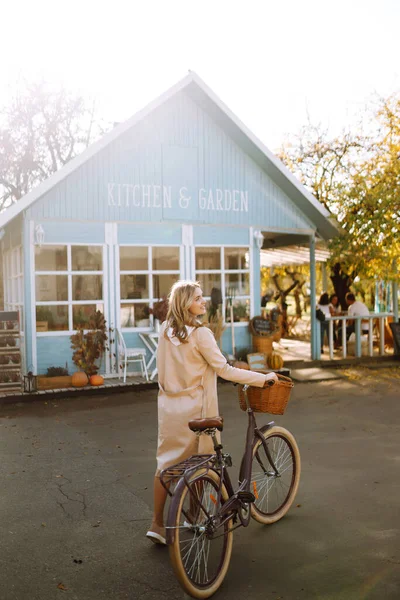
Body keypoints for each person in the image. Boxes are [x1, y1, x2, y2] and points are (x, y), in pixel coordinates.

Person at [146, 280, 278, 545]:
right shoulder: (200, 334)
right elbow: (225, 370)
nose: (203, 301)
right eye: (197, 298)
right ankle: (193, 517)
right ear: (185, 303)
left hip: (169, 407)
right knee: (202, 461)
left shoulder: (164, 330)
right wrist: (262, 379)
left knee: (167, 465)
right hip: (197, 408)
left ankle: (157, 524)